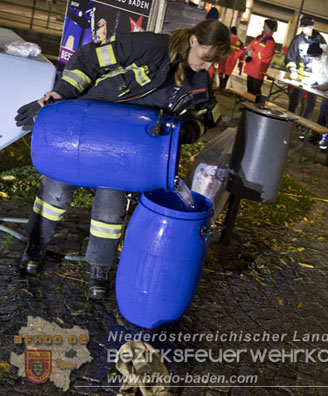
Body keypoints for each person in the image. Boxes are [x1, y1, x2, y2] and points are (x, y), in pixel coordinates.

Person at [14, 19, 231, 299]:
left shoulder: (199, 83)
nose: (206, 67)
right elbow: (88, 59)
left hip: (123, 150)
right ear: (193, 41)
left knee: (111, 208)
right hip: (85, 125)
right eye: (205, 58)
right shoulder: (148, 46)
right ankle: (34, 247)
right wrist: (62, 93)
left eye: (213, 63)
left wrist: (185, 131)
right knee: (55, 191)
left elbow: (206, 118)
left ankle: (98, 269)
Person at [299, 42, 328, 145]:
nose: (313, 59)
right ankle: (318, 136)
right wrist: (308, 81)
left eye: (313, 57)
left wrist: (320, 87)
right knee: (324, 113)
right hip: (326, 89)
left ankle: (320, 137)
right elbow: (317, 74)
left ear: (318, 54)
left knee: (325, 113)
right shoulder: (319, 59)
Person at [285, 16, 327, 119]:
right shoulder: (298, 40)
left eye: (307, 27)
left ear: (312, 26)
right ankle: (289, 119)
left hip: (314, 78)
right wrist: (293, 71)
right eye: (303, 27)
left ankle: (303, 125)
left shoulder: (320, 40)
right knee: (295, 101)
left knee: (309, 103)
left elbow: (325, 58)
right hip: (299, 77)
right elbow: (290, 57)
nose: (304, 30)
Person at [243, 19, 277, 102]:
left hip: (258, 70)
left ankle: (256, 106)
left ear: (268, 27)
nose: (263, 27)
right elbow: (250, 46)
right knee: (250, 89)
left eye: (264, 25)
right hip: (252, 68)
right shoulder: (259, 38)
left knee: (256, 90)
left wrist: (253, 53)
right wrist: (250, 50)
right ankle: (248, 104)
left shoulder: (270, 42)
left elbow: (265, 54)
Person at [216, 26, 244, 90]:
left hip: (224, 58)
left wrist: (217, 57)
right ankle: (223, 85)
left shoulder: (226, 39)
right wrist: (240, 65)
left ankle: (221, 85)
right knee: (227, 72)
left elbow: (219, 48)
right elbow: (242, 54)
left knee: (221, 70)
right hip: (231, 60)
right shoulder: (239, 42)